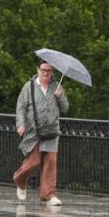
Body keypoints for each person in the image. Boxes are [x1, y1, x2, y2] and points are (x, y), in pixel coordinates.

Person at [13, 61, 69, 206]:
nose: (46, 73)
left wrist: (60, 96)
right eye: (43, 69)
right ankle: (20, 180)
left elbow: (65, 108)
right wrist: (20, 124)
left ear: (52, 72)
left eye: (49, 70)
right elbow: (21, 107)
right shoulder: (29, 86)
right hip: (34, 130)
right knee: (34, 161)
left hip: (51, 131)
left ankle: (48, 195)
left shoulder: (57, 87)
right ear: (37, 69)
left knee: (50, 162)